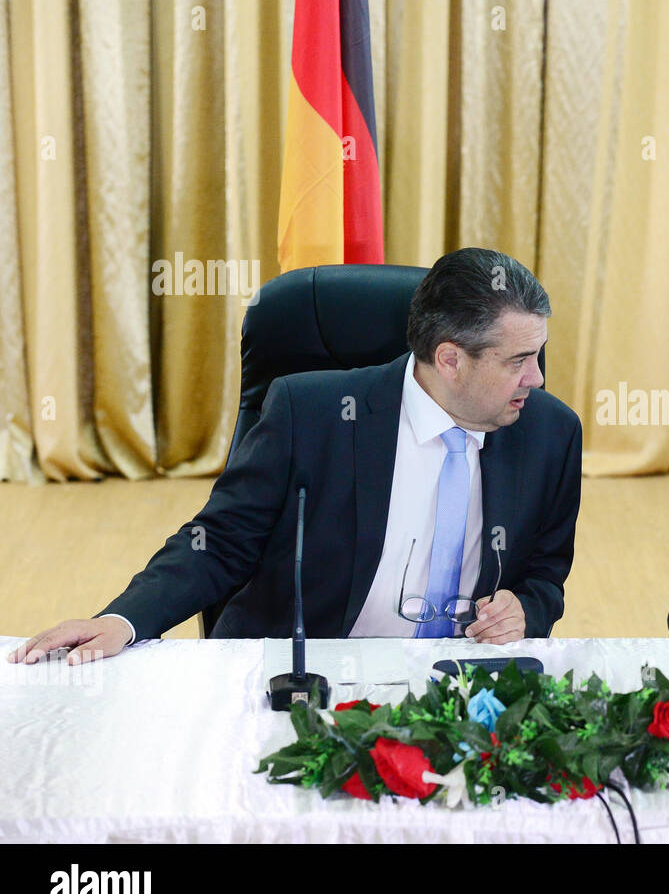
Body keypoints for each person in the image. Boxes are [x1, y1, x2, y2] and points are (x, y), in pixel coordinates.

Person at [9, 248, 581, 665]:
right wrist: (123, 622)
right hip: (304, 674)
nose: (536, 377)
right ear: (450, 359)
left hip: (458, 680)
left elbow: (545, 575)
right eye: (518, 360)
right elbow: (222, 540)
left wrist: (524, 610)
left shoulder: (551, 434)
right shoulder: (311, 413)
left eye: (539, 354)